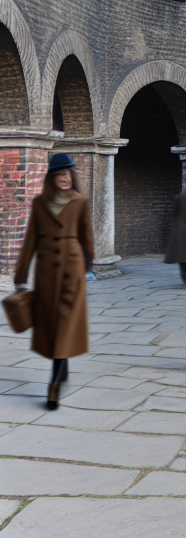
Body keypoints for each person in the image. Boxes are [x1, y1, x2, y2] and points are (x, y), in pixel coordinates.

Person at [13, 153, 94, 411]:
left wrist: (89, 264)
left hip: (72, 268)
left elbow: (86, 236)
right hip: (47, 272)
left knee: (65, 322)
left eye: (69, 173)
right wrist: (21, 276)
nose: (66, 178)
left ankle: (54, 385)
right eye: (60, 174)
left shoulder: (80, 202)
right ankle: (63, 366)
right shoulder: (40, 203)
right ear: (52, 177)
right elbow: (30, 241)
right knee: (54, 325)